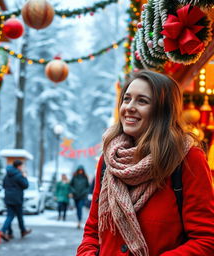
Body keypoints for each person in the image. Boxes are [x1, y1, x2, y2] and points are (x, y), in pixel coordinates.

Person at [77, 70, 214, 255]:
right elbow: (92, 231)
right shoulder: (109, 159)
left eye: (142, 101)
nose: (130, 107)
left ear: (163, 111)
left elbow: (206, 239)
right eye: (127, 99)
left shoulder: (187, 159)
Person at [0, 160, 32, 241]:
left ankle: (10, 233)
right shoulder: (19, 175)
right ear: (18, 166)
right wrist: (24, 177)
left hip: (7, 197)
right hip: (17, 198)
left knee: (10, 215)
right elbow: (26, 185)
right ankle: (3, 231)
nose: (23, 167)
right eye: (22, 166)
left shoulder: (7, 175)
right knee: (16, 216)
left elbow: (3, 185)